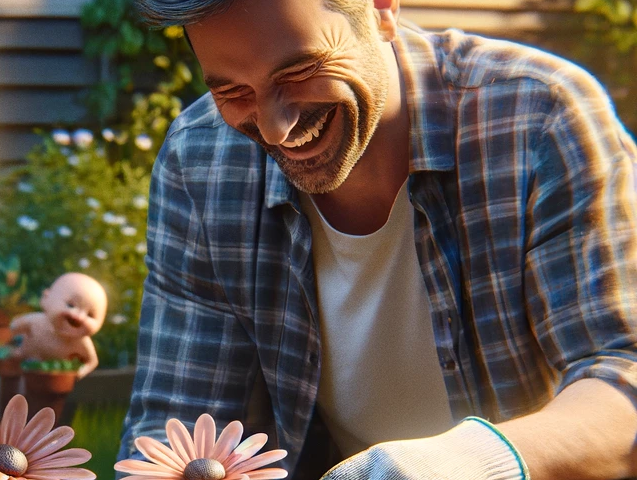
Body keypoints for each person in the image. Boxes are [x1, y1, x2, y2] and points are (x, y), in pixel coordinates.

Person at [117, 0, 637, 478]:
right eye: (232, 91)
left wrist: (469, 463)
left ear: (381, 10)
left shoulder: (536, 114)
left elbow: (622, 373)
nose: (276, 129)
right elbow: (179, 427)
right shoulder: (200, 161)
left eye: (299, 72)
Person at [6, 272, 108, 378]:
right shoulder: (35, 321)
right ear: (46, 298)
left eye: (90, 314)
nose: (79, 317)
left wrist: (81, 372)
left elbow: (92, 361)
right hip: (25, 365)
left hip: (57, 376)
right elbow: (13, 328)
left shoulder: (82, 341)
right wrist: (9, 345)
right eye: (70, 305)